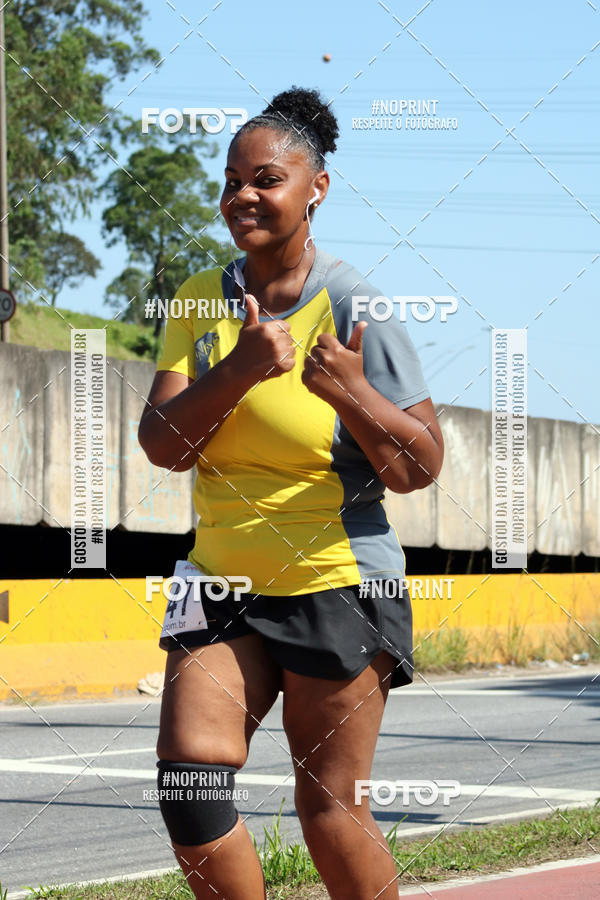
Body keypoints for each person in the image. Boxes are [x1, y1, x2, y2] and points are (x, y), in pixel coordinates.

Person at [138, 85, 444, 900]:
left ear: (317, 189)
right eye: (232, 180)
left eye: (267, 179)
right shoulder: (200, 297)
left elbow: (418, 466)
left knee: (330, 809)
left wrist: (353, 392)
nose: (243, 195)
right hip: (220, 578)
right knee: (190, 785)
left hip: (336, 579)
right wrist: (240, 369)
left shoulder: (353, 305)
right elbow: (163, 445)